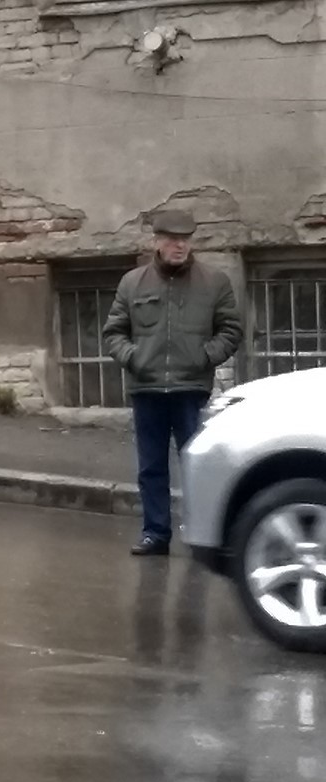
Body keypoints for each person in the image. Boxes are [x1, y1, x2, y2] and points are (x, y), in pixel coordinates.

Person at [103, 209, 243, 557]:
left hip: (191, 389)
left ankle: (201, 537)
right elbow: (114, 332)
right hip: (146, 389)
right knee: (151, 468)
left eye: (185, 240)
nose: (180, 246)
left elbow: (231, 330)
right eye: (173, 240)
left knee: (196, 464)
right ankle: (155, 534)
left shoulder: (214, 282)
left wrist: (204, 356)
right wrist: (134, 358)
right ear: (158, 242)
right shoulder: (132, 283)